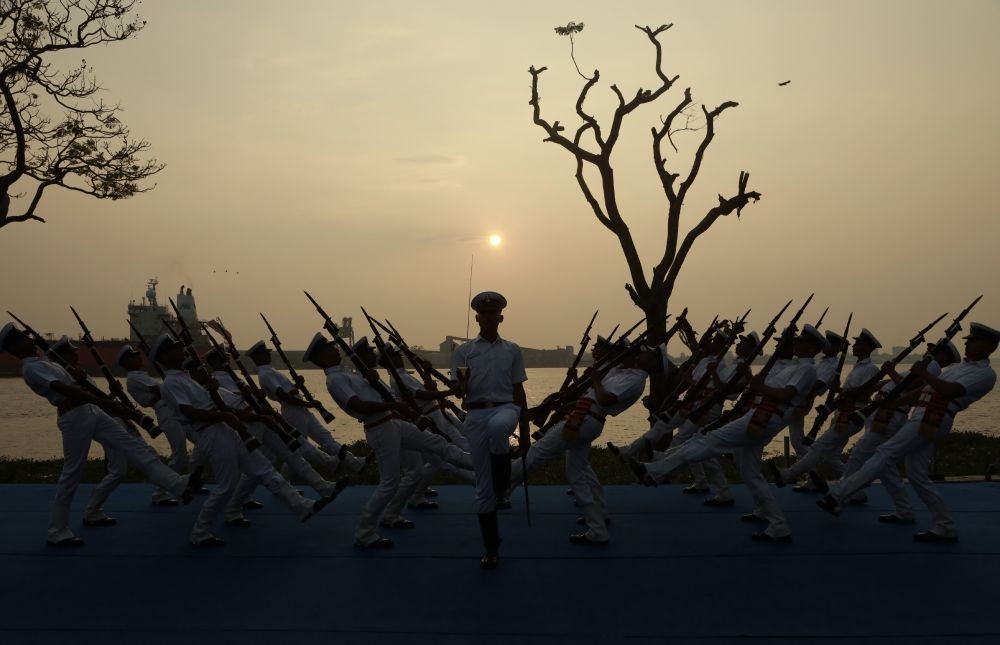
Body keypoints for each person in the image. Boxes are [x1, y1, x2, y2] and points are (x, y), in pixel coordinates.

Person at [0, 323, 191, 546]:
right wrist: (99, 399)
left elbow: (73, 381)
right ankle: (57, 530)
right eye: (23, 339)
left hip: (90, 411)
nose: (30, 339)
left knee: (135, 446)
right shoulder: (31, 368)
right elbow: (64, 389)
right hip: (73, 416)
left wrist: (81, 380)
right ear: (15, 347)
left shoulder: (45, 362)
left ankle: (178, 485)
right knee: (72, 473)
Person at [630, 325, 824, 542]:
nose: (795, 344)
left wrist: (755, 384)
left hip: (764, 416)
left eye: (801, 341)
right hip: (758, 415)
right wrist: (751, 381)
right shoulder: (794, 367)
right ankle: (776, 522)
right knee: (749, 471)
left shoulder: (807, 370)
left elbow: (786, 394)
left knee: (707, 440)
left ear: (812, 348)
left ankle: (655, 470)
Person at [817, 324, 999, 543]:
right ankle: (943, 524)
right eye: (968, 340)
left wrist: (922, 373)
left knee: (885, 452)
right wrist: (896, 401)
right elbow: (924, 391)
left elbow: (950, 390)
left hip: (935, 416)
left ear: (990, 346)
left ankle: (839, 494)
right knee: (917, 475)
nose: (968, 343)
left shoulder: (985, 373)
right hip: (922, 414)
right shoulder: (959, 368)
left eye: (974, 341)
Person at [153, 334, 335, 546]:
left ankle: (301, 505)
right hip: (210, 432)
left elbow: (212, 403)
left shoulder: (185, 378)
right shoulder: (170, 383)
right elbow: (189, 411)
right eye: (175, 348)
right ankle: (199, 532)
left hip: (224, 428)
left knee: (264, 468)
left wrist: (215, 396)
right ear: (165, 356)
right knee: (226, 486)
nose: (180, 350)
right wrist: (223, 414)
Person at [307, 333, 473, 549]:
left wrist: (377, 387)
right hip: (379, 429)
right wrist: (394, 406)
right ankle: (364, 532)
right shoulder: (336, 379)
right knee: (389, 482)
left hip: (392, 423)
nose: (336, 350)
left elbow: (378, 397)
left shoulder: (348, 374)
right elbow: (357, 405)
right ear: (321, 358)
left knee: (435, 448)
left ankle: (480, 463)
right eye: (330, 348)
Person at [510, 339, 656, 544]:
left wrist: (596, 379)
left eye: (643, 353)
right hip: (583, 415)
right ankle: (598, 522)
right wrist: (568, 404)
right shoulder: (622, 371)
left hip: (585, 420)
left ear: (650, 362)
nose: (637, 354)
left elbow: (604, 399)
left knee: (538, 453)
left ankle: (500, 479)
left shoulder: (635, 380)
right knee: (577, 471)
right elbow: (591, 396)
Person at [451, 291, 530, 569]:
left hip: (505, 408)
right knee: (480, 488)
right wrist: (461, 384)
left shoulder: (512, 349)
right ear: (477, 318)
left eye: (492, 313)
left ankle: (503, 487)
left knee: (499, 429)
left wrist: (526, 431)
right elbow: (457, 390)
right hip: (474, 413)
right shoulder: (464, 351)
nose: (488, 317)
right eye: (483, 314)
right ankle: (492, 546)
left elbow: (519, 390)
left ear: (501, 317)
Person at [771, 328, 881, 490]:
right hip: (842, 413)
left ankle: (789, 474)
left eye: (858, 343)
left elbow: (864, 394)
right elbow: (843, 391)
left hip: (852, 414)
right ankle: (854, 488)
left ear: (867, 347)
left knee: (818, 447)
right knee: (831, 456)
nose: (854, 346)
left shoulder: (871, 369)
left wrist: (845, 394)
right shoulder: (857, 366)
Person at [248, 340, 366, 474]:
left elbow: (287, 392)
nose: (268, 355)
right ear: (257, 357)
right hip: (292, 410)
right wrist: (308, 404)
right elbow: (282, 395)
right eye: (264, 353)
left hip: (298, 408)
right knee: (299, 449)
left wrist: (297, 385)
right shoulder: (265, 374)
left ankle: (353, 462)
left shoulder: (270, 371)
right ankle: (288, 481)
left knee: (324, 437)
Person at [120, 344, 196, 505]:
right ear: (126, 363)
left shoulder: (142, 375)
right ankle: (161, 492)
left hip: (174, 409)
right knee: (180, 454)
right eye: (134, 357)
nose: (139, 358)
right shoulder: (134, 377)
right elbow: (159, 390)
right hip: (166, 411)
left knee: (202, 441)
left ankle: (191, 479)